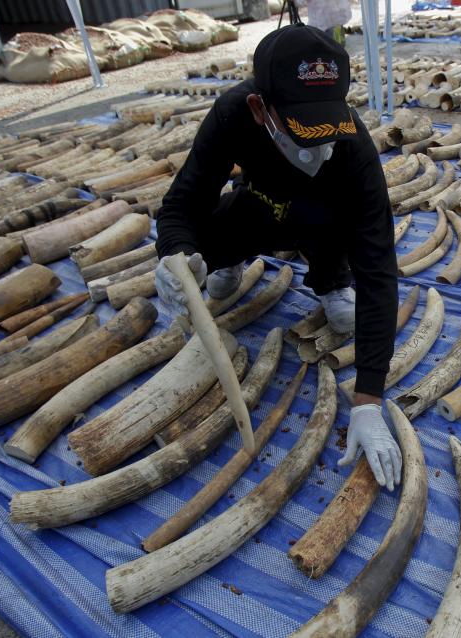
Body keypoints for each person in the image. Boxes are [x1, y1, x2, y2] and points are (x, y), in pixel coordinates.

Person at [154, 24, 402, 491]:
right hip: (259, 202)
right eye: (305, 131)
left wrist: (368, 399)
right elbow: (181, 204)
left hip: (320, 217)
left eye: (329, 127)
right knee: (220, 224)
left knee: (327, 218)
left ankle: (329, 279)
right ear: (259, 108)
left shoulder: (350, 145)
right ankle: (222, 259)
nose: (321, 147)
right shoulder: (231, 113)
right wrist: (175, 254)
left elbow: (379, 267)